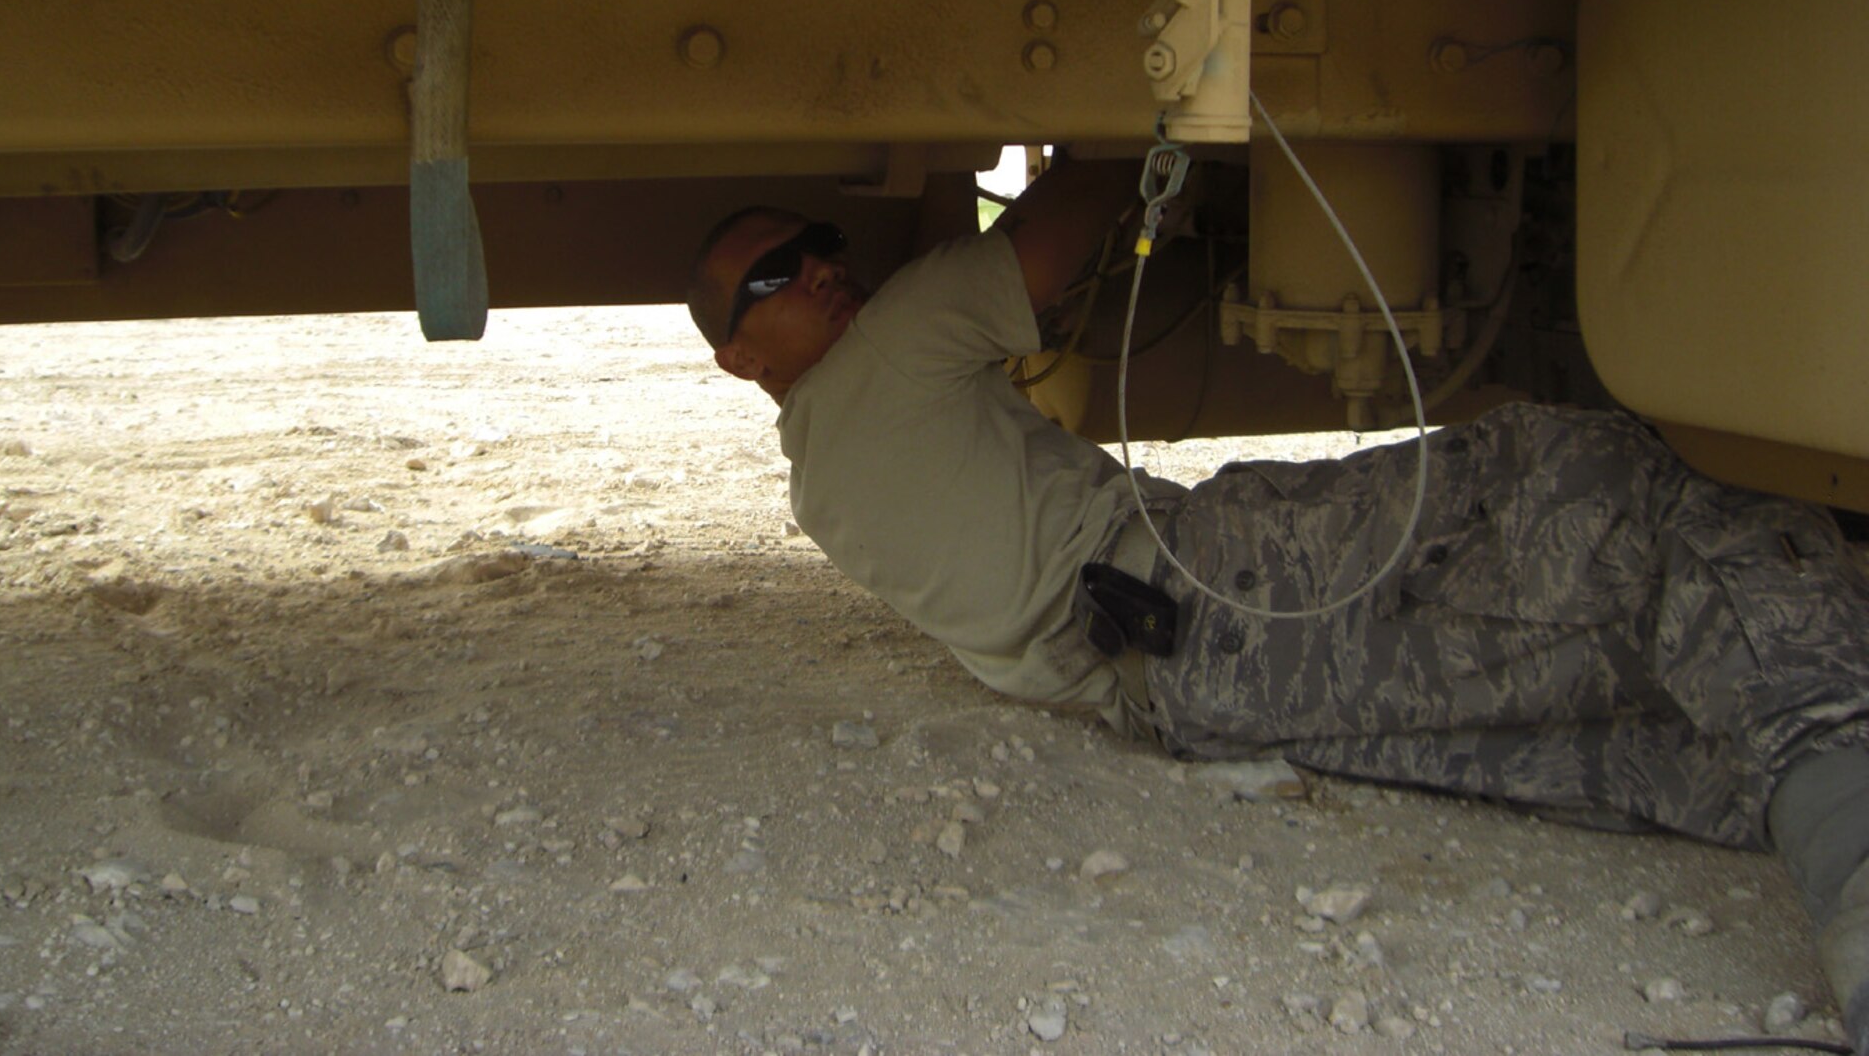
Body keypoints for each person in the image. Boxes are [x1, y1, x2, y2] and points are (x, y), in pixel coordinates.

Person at [687, 155, 1869, 1052]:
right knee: (1584, 477)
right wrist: (1130, 112)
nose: (826, 272)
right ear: (739, 355)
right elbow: (1047, 240)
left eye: (823, 245)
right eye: (777, 277)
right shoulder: (895, 341)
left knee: (1581, 728)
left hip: (1182, 694)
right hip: (1216, 587)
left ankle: (1819, 781)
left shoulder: (819, 486)